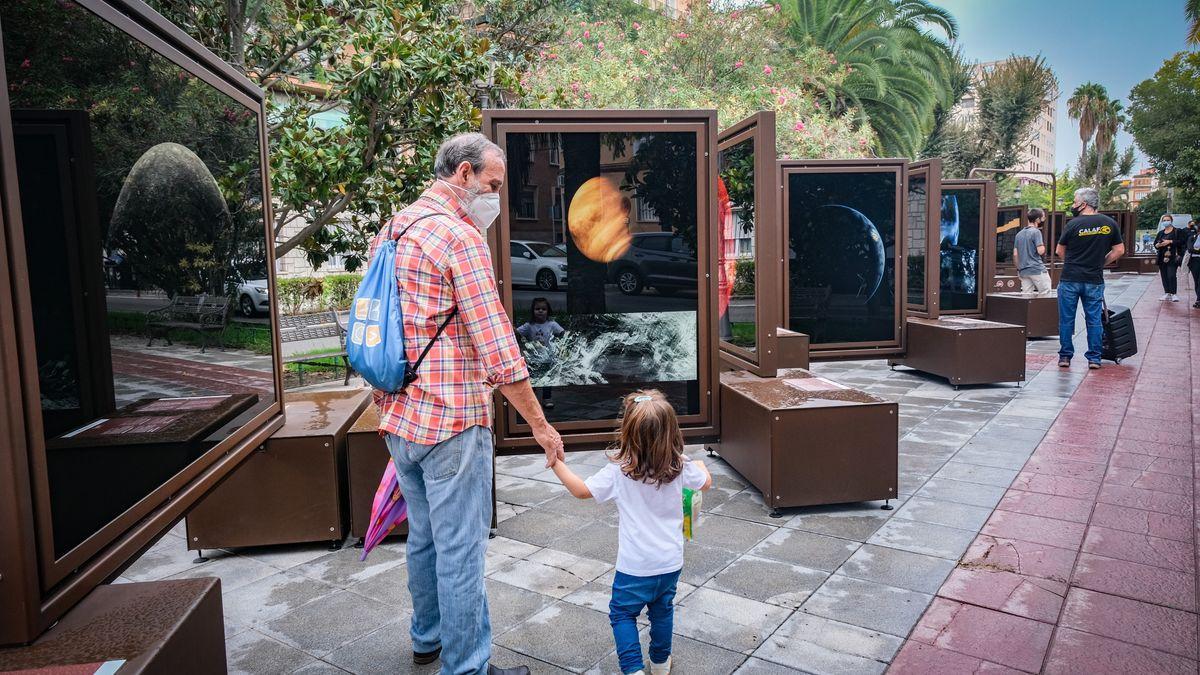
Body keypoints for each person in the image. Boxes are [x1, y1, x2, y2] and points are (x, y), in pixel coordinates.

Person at [367, 132, 563, 675]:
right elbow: (497, 343)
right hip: (452, 420)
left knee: (425, 539)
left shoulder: (394, 228)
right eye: (493, 185)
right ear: (464, 175)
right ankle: (468, 667)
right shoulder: (459, 237)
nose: (496, 199)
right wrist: (543, 427)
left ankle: (427, 637)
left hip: (399, 415)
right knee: (461, 549)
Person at [550, 390, 712, 675]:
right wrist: (698, 463)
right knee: (662, 610)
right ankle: (660, 663)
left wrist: (556, 463)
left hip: (634, 567)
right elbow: (706, 482)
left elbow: (581, 490)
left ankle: (633, 669)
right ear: (672, 433)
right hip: (670, 562)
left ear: (627, 432)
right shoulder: (681, 466)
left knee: (623, 614)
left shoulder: (620, 472)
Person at [1055, 187, 1125, 369]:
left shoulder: (1073, 224)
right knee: (1093, 319)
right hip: (1094, 279)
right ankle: (1094, 358)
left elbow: (1059, 250)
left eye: (1074, 201)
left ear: (1083, 204)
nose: (1073, 205)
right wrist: (1101, 263)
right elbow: (1119, 250)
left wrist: (1071, 263)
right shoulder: (1109, 223)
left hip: (1070, 278)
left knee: (1066, 319)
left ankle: (1065, 357)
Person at [516, 297, 565, 409]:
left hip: (548, 357)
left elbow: (562, 332)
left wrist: (560, 342)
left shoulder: (551, 324)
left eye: (543, 309)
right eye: (537, 309)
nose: (540, 311)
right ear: (533, 311)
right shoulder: (529, 325)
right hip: (533, 358)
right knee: (533, 380)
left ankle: (547, 398)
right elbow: (517, 332)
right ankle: (532, 401)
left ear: (548, 311)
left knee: (547, 379)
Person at [1014, 207, 1051, 293]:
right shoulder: (1036, 232)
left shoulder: (1019, 234)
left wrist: (1019, 268)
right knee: (1046, 293)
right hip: (1036, 269)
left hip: (1023, 271)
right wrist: (1043, 246)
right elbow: (1040, 251)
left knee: (1027, 297)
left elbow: (1015, 254)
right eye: (1043, 217)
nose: (1044, 219)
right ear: (1038, 219)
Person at [1153, 217, 1187, 302]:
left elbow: (1182, 241)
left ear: (1171, 221)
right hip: (1162, 257)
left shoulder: (1177, 231)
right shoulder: (1161, 233)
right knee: (1164, 275)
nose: (1165, 222)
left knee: (1171, 275)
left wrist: (1170, 241)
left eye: (1167, 220)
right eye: (1164, 220)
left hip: (1173, 257)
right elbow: (1155, 244)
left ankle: (1173, 294)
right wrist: (1158, 245)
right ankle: (1167, 293)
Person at [1187, 224, 1200, 308]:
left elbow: (1194, 250)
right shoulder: (1192, 237)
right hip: (1194, 261)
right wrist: (1197, 251)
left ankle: (1198, 300)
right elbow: (1190, 249)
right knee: (1196, 281)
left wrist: (1197, 250)